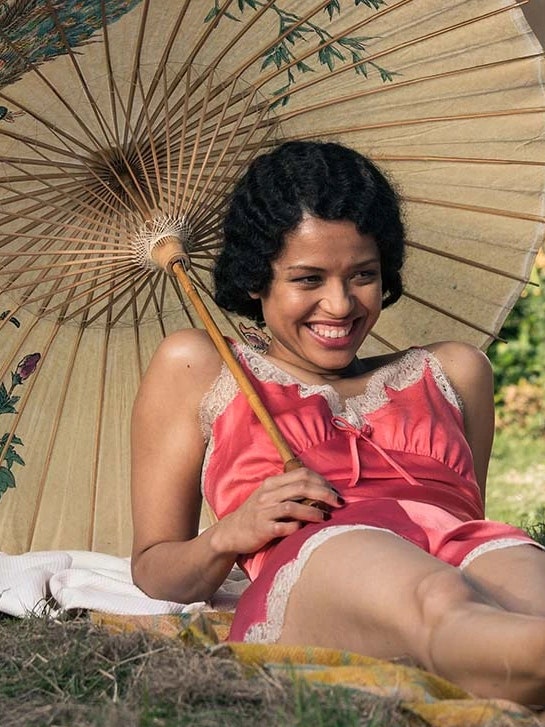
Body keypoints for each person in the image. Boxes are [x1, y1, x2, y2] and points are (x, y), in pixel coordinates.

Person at [131, 140, 545, 706]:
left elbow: (467, 518)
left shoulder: (455, 370)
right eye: (307, 279)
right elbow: (155, 570)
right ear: (257, 279)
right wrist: (229, 535)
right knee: (439, 600)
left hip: (459, 541)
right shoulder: (200, 364)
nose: (340, 304)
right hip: (328, 553)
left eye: (363, 275)